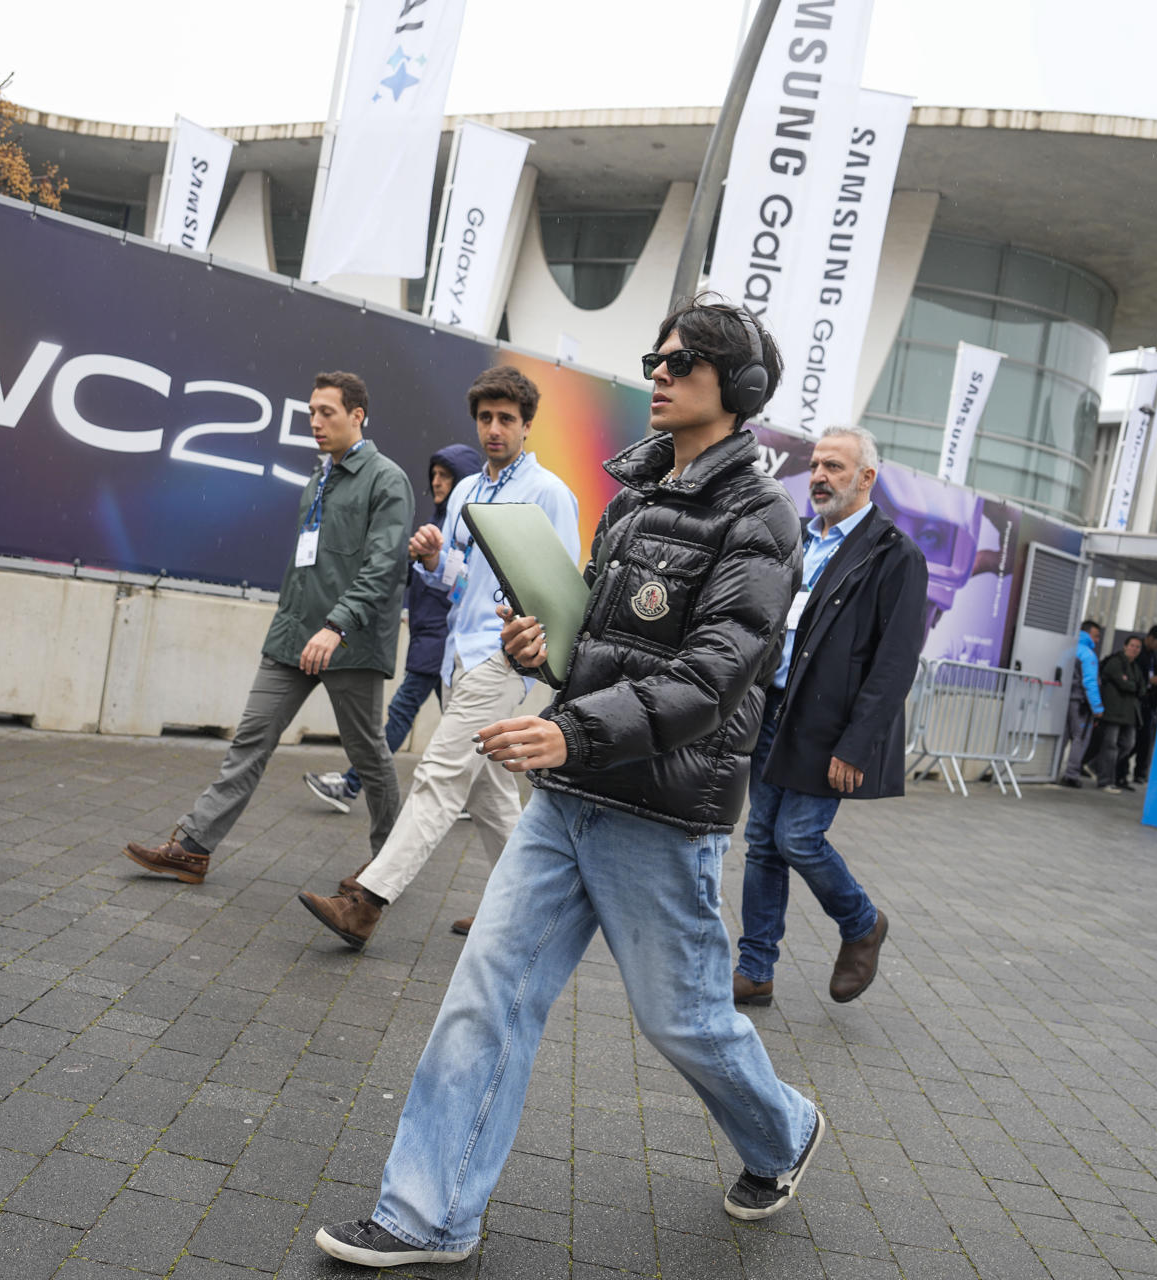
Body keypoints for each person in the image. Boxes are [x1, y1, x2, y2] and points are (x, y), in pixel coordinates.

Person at [314, 298, 824, 1269]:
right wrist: (550, 651)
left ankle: (783, 1130)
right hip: (568, 793)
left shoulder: (763, 518)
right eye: (656, 356)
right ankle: (429, 1212)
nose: (658, 371)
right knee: (487, 989)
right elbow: (603, 642)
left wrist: (570, 728)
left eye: (681, 360)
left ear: (738, 387)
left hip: (658, 811)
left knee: (686, 1022)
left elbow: (713, 676)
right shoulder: (631, 496)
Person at [296, 366, 579, 945]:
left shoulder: (550, 493)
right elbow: (458, 578)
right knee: (491, 794)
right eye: (485, 418)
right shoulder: (469, 491)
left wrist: (532, 672)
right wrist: (431, 559)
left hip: (506, 660)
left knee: (439, 777)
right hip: (460, 654)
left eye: (506, 419)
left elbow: (562, 589)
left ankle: (367, 902)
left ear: (527, 424)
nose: (494, 429)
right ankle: (521, 914)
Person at [121, 372, 411, 884]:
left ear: (358, 415)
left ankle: (391, 865)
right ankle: (193, 846)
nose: (316, 422)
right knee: (250, 740)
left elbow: (383, 565)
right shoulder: (320, 477)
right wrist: (294, 626)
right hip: (293, 637)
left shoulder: (386, 479)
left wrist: (337, 626)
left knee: (368, 754)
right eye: (312, 413)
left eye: (328, 412)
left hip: (349, 642)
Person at [730, 424, 927, 1009]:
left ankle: (862, 924)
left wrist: (856, 744)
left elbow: (894, 665)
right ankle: (756, 970)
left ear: (867, 478)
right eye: (816, 465)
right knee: (763, 842)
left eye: (834, 467)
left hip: (830, 729)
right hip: (774, 714)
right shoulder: (798, 540)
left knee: (798, 838)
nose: (818, 476)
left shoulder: (895, 555)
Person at [304, 443, 481, 812]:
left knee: (402, 714)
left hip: (441, 639)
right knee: (463, 727)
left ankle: (352, 785)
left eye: (445, 475)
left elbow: (462, 586)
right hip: (430, 637)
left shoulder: (467, 528)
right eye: (433, 474)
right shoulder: (436, 524)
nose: (436, 481)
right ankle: (473, 797)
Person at [1095, 634, 1145, 794]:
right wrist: (1132, 685)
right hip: (1113, 712)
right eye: (1132, 645)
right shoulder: (1115, 662)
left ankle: (1098, 766)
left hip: (1129, 715)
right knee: (1110, 746)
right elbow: (1124, 684)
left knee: (1128, 744)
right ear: (1125, 646)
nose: (1134, 649)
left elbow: (1142, 688)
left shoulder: (1136, 668)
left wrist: (1131, 684)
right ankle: (1105, 780)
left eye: (1138, 647)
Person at [1058, 621, 1104, 788]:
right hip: (1081, 704)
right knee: (1080, 739)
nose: (1098, 640)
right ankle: (1071, 775)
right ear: (1088, 634)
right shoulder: (1088, 655)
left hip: (1063, 701)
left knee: (1061, 738)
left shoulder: (1068, 650)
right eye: (1096, 635)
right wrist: (1097, 707)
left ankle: (1052, 771)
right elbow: (1090, 683)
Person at [1129, 625, 1157, 784]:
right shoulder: (1139, 652)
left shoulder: (1155, 655)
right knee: (1131, 739)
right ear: (1151, 638)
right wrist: (1148, 681)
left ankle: (1140, 772)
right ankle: (1123, 769)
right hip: (1136, 700)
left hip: (1149, 703)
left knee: (1145, 740)